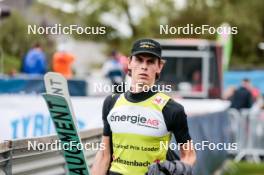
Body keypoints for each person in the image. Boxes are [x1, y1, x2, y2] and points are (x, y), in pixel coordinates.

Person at [92, 39, 196, 175]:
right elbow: (104, 155)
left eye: (150, 61)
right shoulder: (111, 102)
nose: (144, 66)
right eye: (139, 60)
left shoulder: (172, 109)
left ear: (159, 66)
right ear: (129, 63)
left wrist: (178, 170)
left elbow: (189, 155)